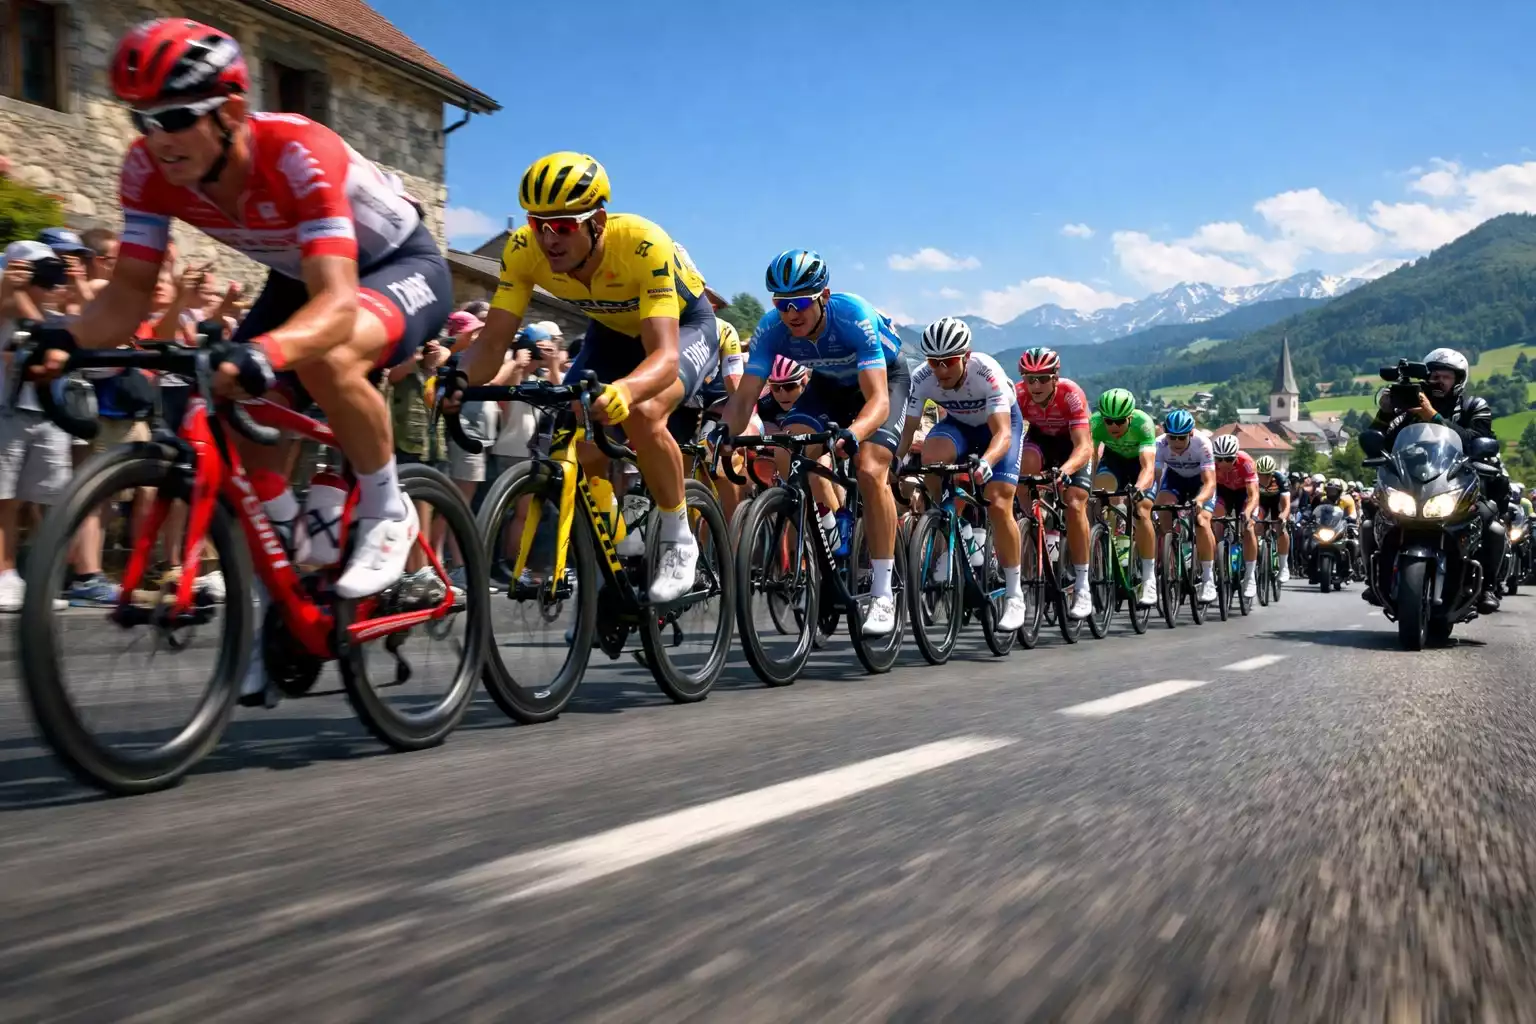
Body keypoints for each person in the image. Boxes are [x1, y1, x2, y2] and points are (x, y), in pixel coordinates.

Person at [46, 19, 453, 607]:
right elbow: (126, 294)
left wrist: (266, 351)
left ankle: (388, 509)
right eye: (143, 119)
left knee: (327, 357)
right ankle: (287, 574)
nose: (158, 138)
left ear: (231, 111)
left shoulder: (296, 150)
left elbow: (336, 303)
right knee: (227, 400)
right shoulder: (145, 172)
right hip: (298, 276)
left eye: (176, 117)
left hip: (397, 264)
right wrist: (57, 340)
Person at [448, 152, 716, 605]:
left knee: (645, 411)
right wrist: (454, 377)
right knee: (572, 416)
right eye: (539, 224)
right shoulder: (520, 250)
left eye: (565, 227)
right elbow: (491, 345)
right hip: (611, 331)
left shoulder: (642, 243)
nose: (550, 239)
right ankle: (615, 527)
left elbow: (664, 356)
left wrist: (626, 390)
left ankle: (676, 535)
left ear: (598, 222)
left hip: (683, 326)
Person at [718, 250, 909, 635]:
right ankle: (823, 538)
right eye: (782, 304)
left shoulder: (853, 316)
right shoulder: (772, 329)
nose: (792, 313)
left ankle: (883, 591)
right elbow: (744, 398)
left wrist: (854, 435)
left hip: (881, 383)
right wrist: (725, 435)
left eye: (801, 302)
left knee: (870, 470)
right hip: (828, 385)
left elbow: (877, 402)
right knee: (787, 450)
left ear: (823, 296)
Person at [897, 317, 1026, 631]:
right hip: (959, 427)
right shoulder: (923, 377)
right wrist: (896, 460)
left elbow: (1002, 436)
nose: (940, 369)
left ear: (965, 356)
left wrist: (986, 462)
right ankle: (944, 523)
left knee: (997, 502)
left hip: (998, 429)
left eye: (949, 362)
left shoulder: (987, 373)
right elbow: (908, 430)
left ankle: (1014, 594)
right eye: (934, 361)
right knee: (931, 454)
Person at [0, 240, 72, 613]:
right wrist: (8, 282)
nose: (51, 281)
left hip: (48, 413)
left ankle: (38, 579)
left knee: (48, 500)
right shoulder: (8, 298)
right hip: (7, 410)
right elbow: (14, 309)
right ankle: (3, 574)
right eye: (41, 272)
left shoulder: (54, 311)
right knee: (5, 501)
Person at [1014, 347, 1095, 619]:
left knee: (1074, 503)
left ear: (1055, 377)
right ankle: (1031, 528)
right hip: (1041, 443)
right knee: (1022, 469)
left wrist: (1066, 470)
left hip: (1072, 446)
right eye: (1029, 378)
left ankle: (1083, 585)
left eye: (1043, 378)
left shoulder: (1071, 394)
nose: (1035, 385)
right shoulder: (1019, 394)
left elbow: (1084, 446)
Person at [1089, 387, 1159, 607]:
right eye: (1109, 421)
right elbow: (1090, 460)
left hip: (1138, 464)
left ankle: (1149, 578)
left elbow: (1148, 468)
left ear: (1130, 417)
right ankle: (1104, 546)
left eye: (1120, 422)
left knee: (1142, 509)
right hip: (1113, 462)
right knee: (1100, 495)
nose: (1113, 427)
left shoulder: (1143, 423)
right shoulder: (1095, 423)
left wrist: (1138, 488)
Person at [1153, 409, 1218, 603]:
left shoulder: (1203, 444)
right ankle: (1170, 558)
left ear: (1190, 433)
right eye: (1172, 437)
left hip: (1200, 482)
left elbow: (1210, 483)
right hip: (1175, 480)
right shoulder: (1160, 444)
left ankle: (1208, 577)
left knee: (1201, 521)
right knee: (1162, 509)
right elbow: (1156, 478)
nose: (1176, 442)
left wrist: (1199, 500)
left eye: (1181, 438)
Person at [1210, 433, 1261, 600]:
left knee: (1248, 527)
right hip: (1223, 491)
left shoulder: (1246, 462)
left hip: (1243, 493)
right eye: (1219, 459)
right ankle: (1217, 559)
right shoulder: (1211, 462)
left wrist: (1247, 512)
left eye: (1228, 459)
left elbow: (1253, 494)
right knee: (1216, 519)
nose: (1223, 463)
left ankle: (1250, 575)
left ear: (1236, 456)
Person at [1254, 455, 1291, 583]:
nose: (1263, 478)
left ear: (1272, 473)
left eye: (1267, 475)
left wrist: (1283, 516)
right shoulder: (1253, 478)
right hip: (1261, 502)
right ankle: (1257, 550)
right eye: (1261, 474)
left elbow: (1286, 505)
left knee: (1280, 527)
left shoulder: (1280, 479)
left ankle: (1283, 566)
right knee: (1255, 522)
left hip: (1277, 503)